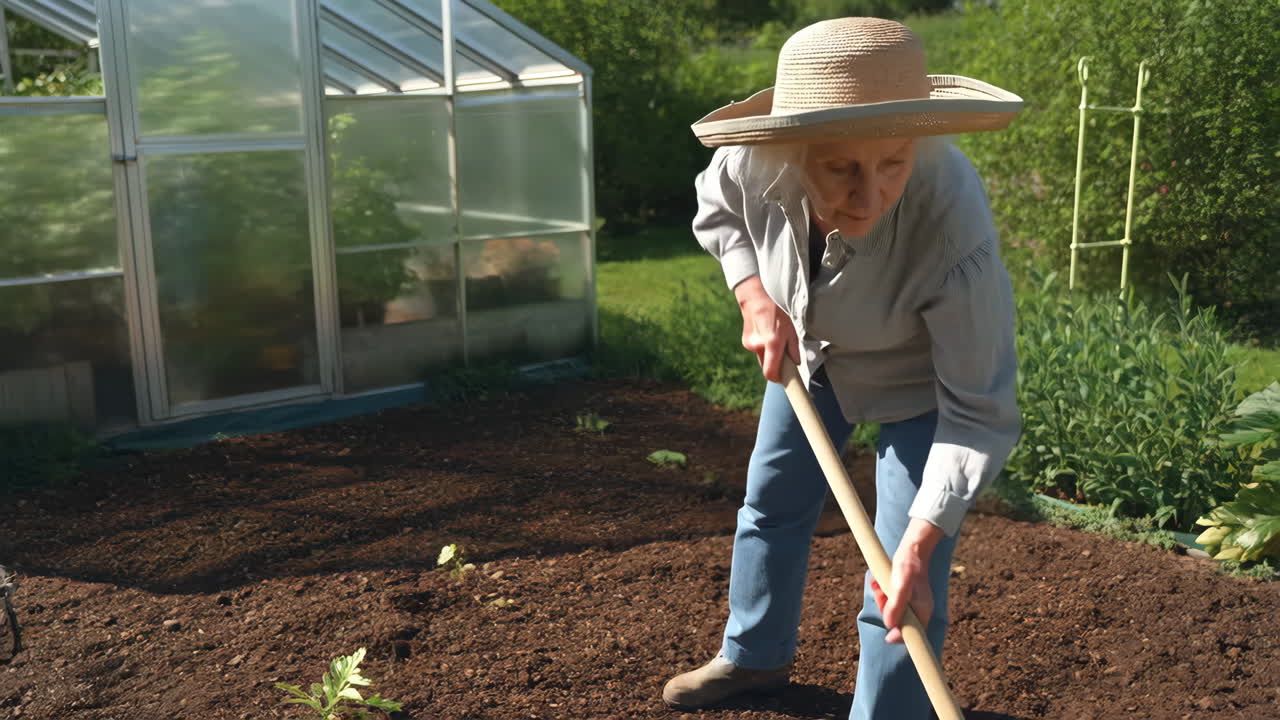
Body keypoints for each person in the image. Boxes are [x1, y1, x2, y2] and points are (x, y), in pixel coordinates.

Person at [661, 17, 1024, 720]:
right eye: (840, 169)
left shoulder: (951, 213)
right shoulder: (750, 159)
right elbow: (719, 213)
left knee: (896, 573)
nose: (869, 195)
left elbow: (979, 407)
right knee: (770, 505)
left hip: (923, 387)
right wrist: (754, 297)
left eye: (892, 163)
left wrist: (924, 533)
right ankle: (754, 659)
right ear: (793, 147)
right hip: (812, 355)